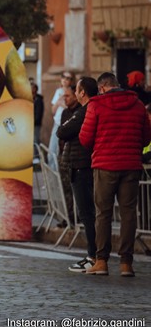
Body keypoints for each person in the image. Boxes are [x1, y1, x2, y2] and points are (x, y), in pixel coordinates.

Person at [79, 72, 151, 276]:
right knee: (129, 213)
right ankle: (126, 263)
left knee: (103, 213)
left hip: (104, 166)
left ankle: (101, 261)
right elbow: (146, 138)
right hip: (131, 166)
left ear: (101, 88)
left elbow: (85, 138)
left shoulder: (96, 105)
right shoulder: (137, 105)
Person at [56, 77, 97, 272]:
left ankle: (94, 256)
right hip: (85, 164)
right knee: (91, 213)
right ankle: (98, 256)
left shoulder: (84, 111)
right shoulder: (85, 110)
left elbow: (62, 131)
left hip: (82, 165)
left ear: (81, 93)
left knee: (87, 213)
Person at [57, 85, 80, 226]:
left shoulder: (80, 112)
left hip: (77, 156)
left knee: (78, 189)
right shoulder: (65, 113)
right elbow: (61, 133)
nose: (64, 98)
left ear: (76, 96)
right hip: (64, 155)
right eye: (64, 96)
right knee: (65, 188)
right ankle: (68, 216)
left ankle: (80, 217)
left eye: (67, 96)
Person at [49, 71, 75, 164]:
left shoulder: (73, 92)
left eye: (68, 78)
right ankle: (53, 177)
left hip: (68, 124)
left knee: (65, 153)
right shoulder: (58, 91)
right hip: (57, 123)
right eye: (63, 77)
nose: (65, 80)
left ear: (71, 81)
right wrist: (59, 101)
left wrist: (64, 103)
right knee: (52, 152)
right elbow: (53, 110)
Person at [32, 82, 44, 163]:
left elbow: (38, 114)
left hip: (36, 124)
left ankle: (37, 157)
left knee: (36, 140)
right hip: (29, 124)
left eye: (33, 88)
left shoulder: (38, 100)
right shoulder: (29, 99)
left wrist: (33, 121)